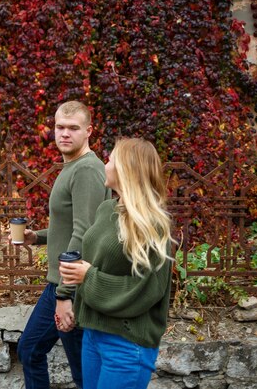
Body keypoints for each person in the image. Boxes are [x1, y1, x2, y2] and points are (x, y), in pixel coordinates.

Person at [58, 137, 174, 389]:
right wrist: (75, 279)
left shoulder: (150, 224)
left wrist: (87, 277)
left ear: (126, 170)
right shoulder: (106, 209)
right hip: (93, 334)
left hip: (126, 343)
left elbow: (147, 288)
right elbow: (95, 261)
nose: (105, 164)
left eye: (110, 160)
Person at [15, 101, 111, 389]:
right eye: (59, 127)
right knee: (34, 351)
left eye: (73, 128)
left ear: (89, 131)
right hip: (63, 281)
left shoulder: (86, 170)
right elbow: (72, 224)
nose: (65, 134)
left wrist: (65, 295)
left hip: (72, 285)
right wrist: (38, 237)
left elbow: (85, 233)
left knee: (82, 373)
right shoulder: (73, 167)